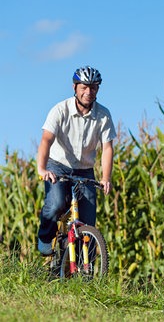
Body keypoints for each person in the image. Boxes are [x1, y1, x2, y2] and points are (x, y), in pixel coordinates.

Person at [37, 65, 116, 255]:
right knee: (56, 203)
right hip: (58, 166)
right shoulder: (60, 110)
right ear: (75, 88)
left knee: (88, 223)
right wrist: (41, 168)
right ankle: (46, 237)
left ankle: (86, 275)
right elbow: (46, 140)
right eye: (84, 87)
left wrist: (106, 177)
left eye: (93, 87)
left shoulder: (103, 115)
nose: (88, 92)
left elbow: (107, 148)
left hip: (85, 170)